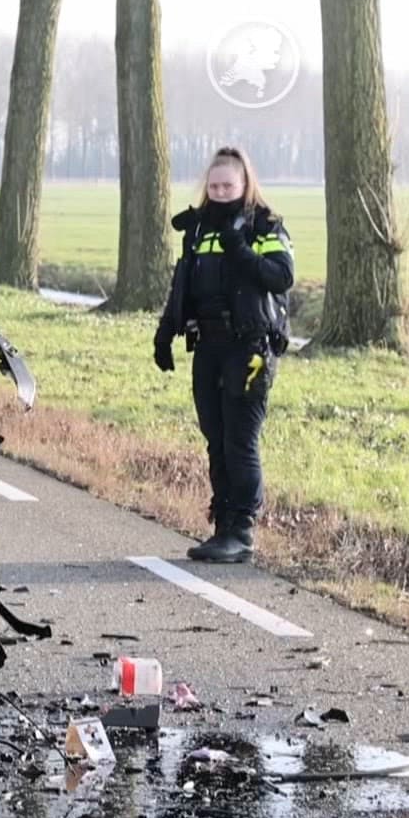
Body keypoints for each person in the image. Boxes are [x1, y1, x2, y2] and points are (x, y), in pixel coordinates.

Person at [153, 146, 295, 564]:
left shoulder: (264, 225)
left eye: (227, 185)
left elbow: (281, 277)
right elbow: (183, 284)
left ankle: (242, 532)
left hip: (249, 348)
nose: (219, 192)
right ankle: (222, 526)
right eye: (213, 186)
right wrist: (165, 334)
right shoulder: (198, 228)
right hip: (209, 347)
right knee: (215, 438)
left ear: (244, 183)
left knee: (240, 440)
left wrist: (239, 245)